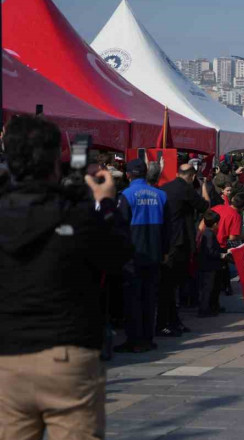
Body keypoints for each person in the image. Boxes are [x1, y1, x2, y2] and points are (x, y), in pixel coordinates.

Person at [0, 115, 131, 440]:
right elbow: (117, 256)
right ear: (57, 159)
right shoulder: (75, 214)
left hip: (7, 359)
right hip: (67, 354)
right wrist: (105, 203)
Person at [115, 158, 169, 353]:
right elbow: (167, 228)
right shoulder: (161, 196)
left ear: (128, 175)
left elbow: (119, 228)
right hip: (155, 254)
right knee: (149, 298)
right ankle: (148, 338)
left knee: (132, 299)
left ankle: (134, 340)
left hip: (133, 256)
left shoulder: (125, 196)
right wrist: (164, 252)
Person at [156, 163, 210, 337]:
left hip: (166, 240)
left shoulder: (164, 188)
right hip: (179, 242)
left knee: (169, 285)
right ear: (192, 176)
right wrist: (203, 187)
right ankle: (164, 323)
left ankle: (172, 320)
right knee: (171, 285)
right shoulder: (186, 189)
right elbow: (205, 206)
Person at [196, 210, 225, 317]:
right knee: (207, 288)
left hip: (207, 265)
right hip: (209, 266)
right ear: (215, 224)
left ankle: (209, 307)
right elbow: (210, 251)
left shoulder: (207, 233)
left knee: (209, 288)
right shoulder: (209, 235)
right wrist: (221, 255)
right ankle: (204, 309)